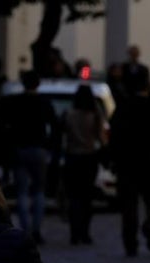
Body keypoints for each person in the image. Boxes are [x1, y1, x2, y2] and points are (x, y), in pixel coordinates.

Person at [0, 70, 58, 244]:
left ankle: (25, 228)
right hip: (39, 149)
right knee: (39, 191)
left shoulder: (14, 102)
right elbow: (54, 127)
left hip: (19, 149)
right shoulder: (45, 103)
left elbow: (2, 125)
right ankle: (36, 229)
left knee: (22, 191)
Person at [108, 68, 150, 256]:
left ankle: (130, 243)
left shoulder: (122, 109)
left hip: (127, 163)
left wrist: (113, 159)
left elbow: (113, 136)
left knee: (129, 206)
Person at [62, 84, 106, 245]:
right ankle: (85, 232)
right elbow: (100, 137)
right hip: (89, 157)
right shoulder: (94, 114)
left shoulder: (69, 114)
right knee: (87, 197)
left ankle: (74, 232)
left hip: (72, 156)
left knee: (74, 196)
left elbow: (63, 134)